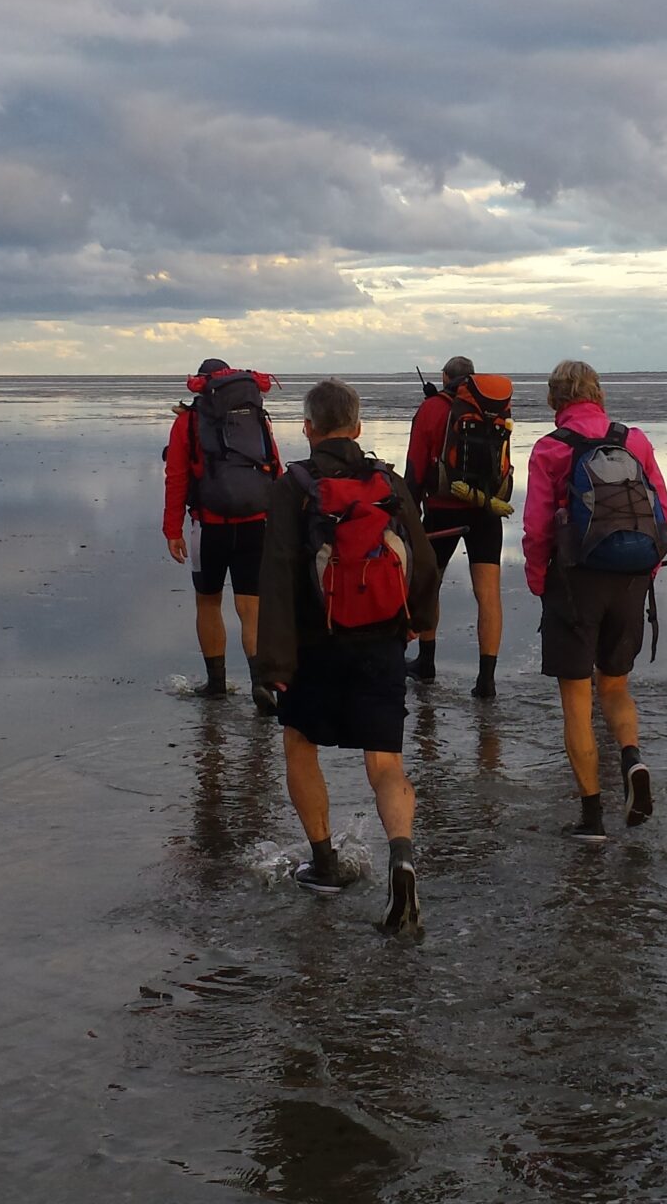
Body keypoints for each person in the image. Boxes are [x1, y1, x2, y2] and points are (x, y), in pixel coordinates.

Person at [256, 378, 441, 933]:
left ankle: (324, 864)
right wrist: (416, 625)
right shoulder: (387, 481)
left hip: (316, 647)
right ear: (358, 428)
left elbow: (279, 577)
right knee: (385, 763)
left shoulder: (294, 486)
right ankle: (402, 856)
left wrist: (273, 667)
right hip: (382, 640)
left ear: (307, 428)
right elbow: (425, 564)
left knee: (299, 744)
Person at [522, 360, 667, 841]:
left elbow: (537, 528)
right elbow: (664, 513)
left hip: (574, 583)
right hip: (631, 578)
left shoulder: (550, 449)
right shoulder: (635, 441)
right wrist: (646, 568)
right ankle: (632, 758)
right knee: (615, 687)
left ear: (554, 401)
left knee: (576, 700)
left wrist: (537, 579)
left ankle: (591, 817)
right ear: (598, 394)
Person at [163, 358, 283, 712]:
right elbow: (274, 466)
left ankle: (216, 683)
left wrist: (172, 529)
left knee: (208, 602)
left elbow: (177, 478)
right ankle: (261, 683)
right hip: (255, 522)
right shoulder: (255, 417)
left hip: (208, 526)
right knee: (251, 607)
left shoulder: (188, 422)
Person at [406, 356, 513, 697]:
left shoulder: (432, 409)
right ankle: (486, 680)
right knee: (488, 595)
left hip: (441, 510)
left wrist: (408, 516)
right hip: (486, 510)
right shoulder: (494, 409)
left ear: (444, 376)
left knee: (429, 585)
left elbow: (414, 470)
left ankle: (426, 663)